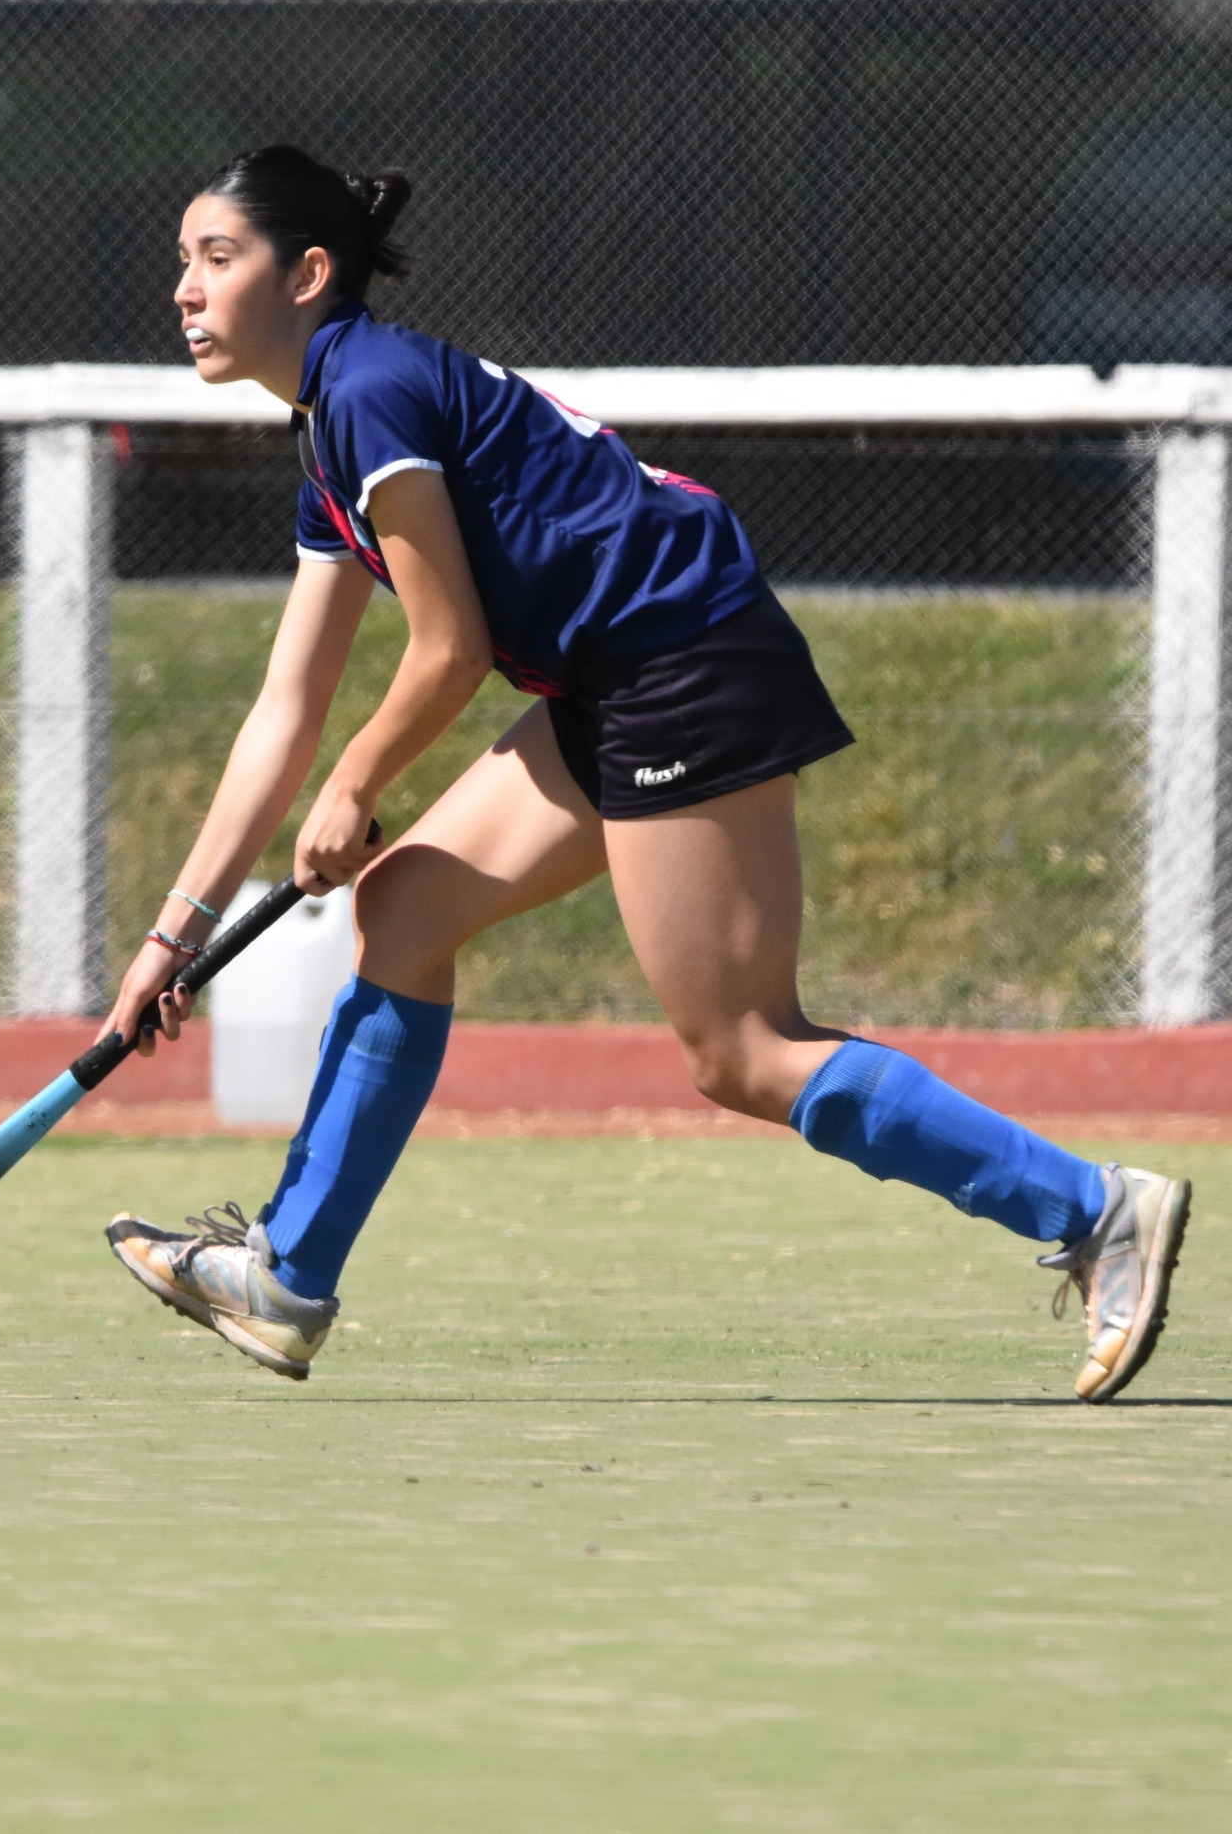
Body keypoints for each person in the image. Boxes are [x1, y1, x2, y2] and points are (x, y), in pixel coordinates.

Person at [99, 145, 1189, 1403]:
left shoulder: (371, 391)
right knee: (404, 911)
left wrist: (356, 779)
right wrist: (172, 932)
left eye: (214, 259)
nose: (183, 289)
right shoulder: (328, 437)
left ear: (309, 275)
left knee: (737, 1049)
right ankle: (286, 1274)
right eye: (181, 261)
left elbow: (446, 651)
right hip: (610, 676)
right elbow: (281, 711)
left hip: (683, 657)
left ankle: (1094, 1210)